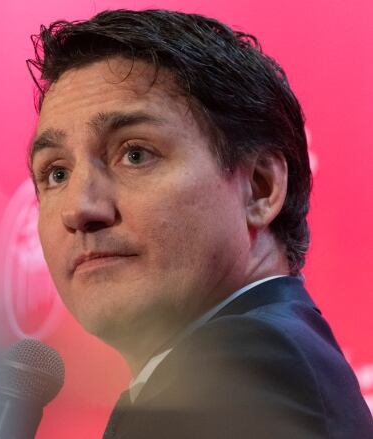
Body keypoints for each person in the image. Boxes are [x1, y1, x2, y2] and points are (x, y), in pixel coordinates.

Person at [27, 9, 373, 438]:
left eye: (135, 153)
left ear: (260, 190)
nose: (79, 209)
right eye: (56, 173)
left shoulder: (246, 368)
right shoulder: (217, 370)